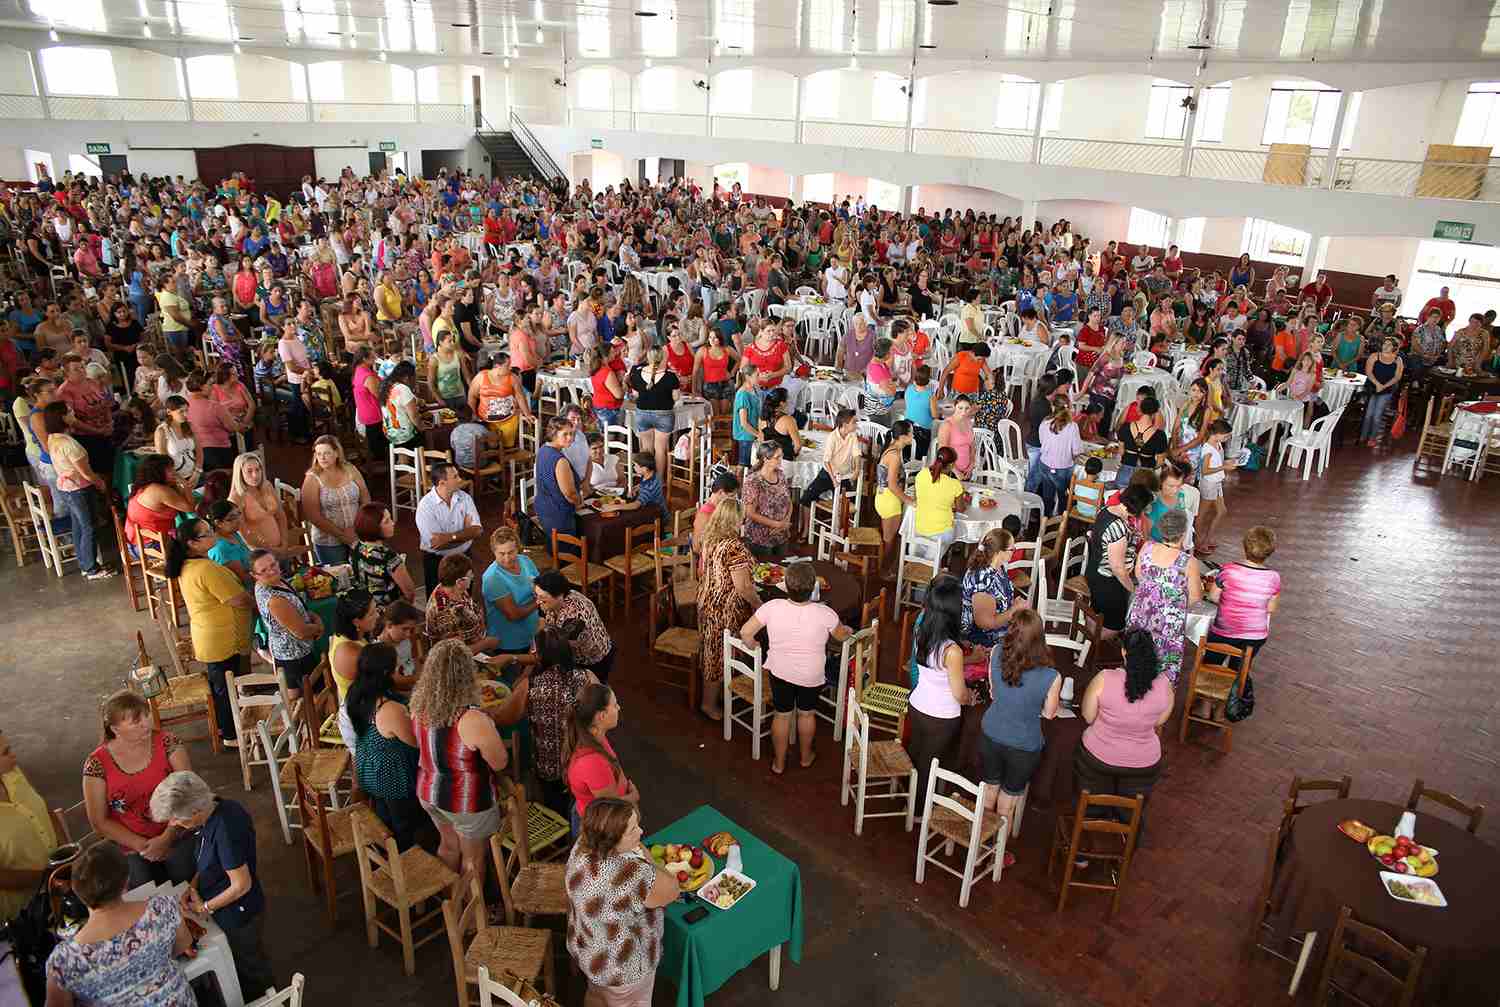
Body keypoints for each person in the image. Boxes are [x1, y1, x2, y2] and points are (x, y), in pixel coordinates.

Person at [149, 771, 273, 996]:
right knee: (239, 964)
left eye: (176, 818)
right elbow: (207, 860)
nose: (173, 824)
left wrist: (204, 908)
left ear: (195, 811)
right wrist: (194, 886)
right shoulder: (211, 812)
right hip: (221, 903)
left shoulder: (226, 829)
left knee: (252, 971)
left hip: (239, 914)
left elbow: (241, 885)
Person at [43, 842, 196, 1007]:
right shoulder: (161, 907)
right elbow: (183, 943)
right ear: (126, 881)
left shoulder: (64, 960)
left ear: (76, 889)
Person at [410, 640, 509, 880]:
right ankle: (472, 914)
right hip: (466, 801)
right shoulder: (472, 719)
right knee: (473, 861)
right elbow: (500, 763)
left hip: (429, 792)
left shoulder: (418, 707)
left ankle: (450, 898)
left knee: (449, 845)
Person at [740, 563, 852, 775]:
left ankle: (779, 763)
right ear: (812, 588)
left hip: (779, 670)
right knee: (806, 713)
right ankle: (805, 757)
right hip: (811, 674)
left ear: (786, 586)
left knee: (782, 714)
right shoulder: (826, 613)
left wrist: (754, 645)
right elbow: (841, 636)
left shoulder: (771, 607)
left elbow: (746, 632)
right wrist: (847, 630)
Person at [564, 797, 676, 1007]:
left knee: (597, 996)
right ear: (612, 839)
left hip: (589, 951)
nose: (641, 832)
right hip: (624, 968)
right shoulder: (631, 871)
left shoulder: (582, 844)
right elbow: (671, 891)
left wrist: (629, 843)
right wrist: (646, 857)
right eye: (633, 830)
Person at [81, 692, 195, 888]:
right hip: (129, 843)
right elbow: (99, 821)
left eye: (146, 715)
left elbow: (188, 791)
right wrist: (143, 846)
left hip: (176, 830)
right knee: (142, 891)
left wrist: (167, 837)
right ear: (115, 728)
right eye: (136, 721)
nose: (146, 724)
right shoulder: (97, 764)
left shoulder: (168, 742)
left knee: (186, 880)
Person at [1075, 629, 1172, 837]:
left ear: (1123, 652)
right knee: (1131, 811)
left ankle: (1082, 851)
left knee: (1091, 803)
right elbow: (1160, 721)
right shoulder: (1164, 684)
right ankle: (1125, 846)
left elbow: (1088, 716)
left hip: (1097, 758)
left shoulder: (1104, 678)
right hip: (1143, 765)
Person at [168, 517, 253, 741]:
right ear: (192, 544)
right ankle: (231, 735)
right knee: (225, 690)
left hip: (209, 635)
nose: (213, 534)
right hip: (223, 638)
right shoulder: (206, 569)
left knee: (222, 688)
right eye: (206, 533)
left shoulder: (191, 565)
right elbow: (239, 600)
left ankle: (225, 728)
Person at [979, 609, 1060, 838]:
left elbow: (994, 694)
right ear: (1040, 638)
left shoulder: (996, 653)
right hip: (1024, 746)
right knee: (1007, 802)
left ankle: (981, 839)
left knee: (989, 792)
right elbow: (1049, 714)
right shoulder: (1051, 676)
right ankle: (997, 851)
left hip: (990, 734)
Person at [348, 642, 424, 851]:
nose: (398, 667)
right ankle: (402, 859)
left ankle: (383, 847)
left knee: (384, 814)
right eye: (394, 665)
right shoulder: (389, 709)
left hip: (368, 766)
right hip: (390, 775)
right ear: (385, 671)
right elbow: (415, 742)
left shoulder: (357, 691)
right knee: (402, 823)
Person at [907, 574, 972, 807]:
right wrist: (969, 697)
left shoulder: (921, 628)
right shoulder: (952, 651)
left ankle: (909, 798)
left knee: (916, 754)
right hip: (941, 716)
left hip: (917, 704)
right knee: (929, 764)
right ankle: (918, 810)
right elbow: (959, 694)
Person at [1122, 509, 1202, 687]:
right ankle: (1159, 701)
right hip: (1168, 623)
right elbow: (1195, 597)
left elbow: (1139, 575)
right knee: (1164, 666)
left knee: (1136, 657)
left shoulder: (1147, 547)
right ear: (1183, 533)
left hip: (1141, 614)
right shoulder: (1188, 562)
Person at [42, 402, 115, 580]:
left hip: (67, 489)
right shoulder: (69, 444)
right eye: (69, 412)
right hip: (78, 489)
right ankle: (91, 568)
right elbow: (85, 472)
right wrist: (99, 482)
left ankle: (85, 563)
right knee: (89, 526)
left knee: (79, 526)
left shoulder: (53, 438)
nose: (73, 412)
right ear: (62, 418)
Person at [565, 683, 638, 833]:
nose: (619, 708)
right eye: (615, 704)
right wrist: (633, 797)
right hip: (600, 828)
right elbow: (609, 807)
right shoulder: (592, 761)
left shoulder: (595, 736)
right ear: (601, 716)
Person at [0, 730, 57, 920]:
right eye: (5, 752)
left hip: (57, 884)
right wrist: (45, 877)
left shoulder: (12, 773)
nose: (13, 755)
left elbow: (43, 807)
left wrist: (65, 857)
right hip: (26, 913)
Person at [250, 549, 324, 695]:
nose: (271, 571)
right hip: (294, 657)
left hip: (289, 653)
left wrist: (312, 616)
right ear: (254, 575)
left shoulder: (272, 582)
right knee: (311, 699)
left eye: (273, 565)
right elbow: (300, 632)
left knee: (300, 700)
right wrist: (319, 627)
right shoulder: (275, 600)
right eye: (263, 570)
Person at [1205, 525, 1282, 661]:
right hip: (1254, 636)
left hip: (1224, 631)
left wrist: (1229, 601)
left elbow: (1213, 596)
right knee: (1241, 667)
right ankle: (1240, 677)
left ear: (1244, 547)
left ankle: (1210, 673)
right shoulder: (1274, 577)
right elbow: (1271, 608)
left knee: (1211, 663)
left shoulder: (1228, 570)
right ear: (1270, 551)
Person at [1085, 484, 1153, 633]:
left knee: (1097, 612)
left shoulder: (1106, 510)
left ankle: (1088, 638)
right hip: (1108, 582)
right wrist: (1132, 589)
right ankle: (1094, 642)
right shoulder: (1117, 528)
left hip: (1095, 571)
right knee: (1115, 625)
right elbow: (1118, 569)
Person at [534, 569, 615, 681]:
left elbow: (558, 649)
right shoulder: (553, 601)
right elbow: (543, 618)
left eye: (542, 598)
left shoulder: (575, 615)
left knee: (594, 690)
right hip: (575, 654)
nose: (537, 601)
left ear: (559, 595)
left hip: (593, 660)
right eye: (536, 595)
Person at [301, 435, 369, 565]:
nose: (322, 457)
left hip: (358, 533)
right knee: (340, 578)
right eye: (319, 453)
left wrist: (358, 527)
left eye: (326, 453)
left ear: (337, 453)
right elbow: (313, 516)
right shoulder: (312, 478)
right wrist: (344, 536)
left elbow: (365, 498)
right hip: (328, 541)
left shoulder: (350, 469)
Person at [415, 461, 482, 591]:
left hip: (464, 557)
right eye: (455, 477)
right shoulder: (425, 506)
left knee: (465, 597)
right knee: (438, 600)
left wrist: (448, 537)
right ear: (442, 483)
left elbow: (477, 531)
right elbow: (437, 544)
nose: (460, 479)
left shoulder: (465, 498)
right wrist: (466, 534)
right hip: (437, 562)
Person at [962, 528, 1028, 651]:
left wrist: (1011, 604)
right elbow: (985, 624)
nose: (1014, 551)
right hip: (984, 640)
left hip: (999, 628)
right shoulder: (983, 581)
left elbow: (998, 599)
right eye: (1011, 549)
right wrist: (1013, 610)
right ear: (999, 552)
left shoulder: (997, 567)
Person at [426, 553, 500, 654]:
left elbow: (471, 609)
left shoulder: (453, 588)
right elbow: (456, 653)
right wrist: (486, 643)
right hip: (462, 662)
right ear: (459, 582)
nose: (473, 577)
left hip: (477, 638)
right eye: (470, 575)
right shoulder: (445, 613)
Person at [350, 502, 417, 606]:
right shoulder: (389, 557)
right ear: (373, 527)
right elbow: (409, 592)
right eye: (387, 521)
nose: (393, 523)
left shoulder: (355, 546)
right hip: (389, 612)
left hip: (366, 609)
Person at [743, 440, 793, 560]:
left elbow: (789, 501)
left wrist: (785, 522)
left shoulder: (780, 475)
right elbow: (749, 513)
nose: (781, 460)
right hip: (760, 538)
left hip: (781, 535)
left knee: (780, 570)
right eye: (777, 457)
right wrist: (777, 524)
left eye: (781, 456)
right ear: (765, 459)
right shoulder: (753, 481)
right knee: (762, 573)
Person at [874, 421, 916, 564]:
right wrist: (908, 500)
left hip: (883, 497)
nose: (913, 436)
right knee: (889, 540)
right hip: (889, 500)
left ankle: (883, 567)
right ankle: (883, 570)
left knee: (888, 539)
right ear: (903, 436)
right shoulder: (895, 455)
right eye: (911, 433)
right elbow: (892, 484)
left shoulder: (892, 449)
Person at [467, 351, 529, 448]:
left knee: (507, 447)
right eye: (507, 365)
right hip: (486, 420)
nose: (510, 368)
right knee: (490, 446)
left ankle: (506, 461)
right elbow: (472, 396)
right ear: (497, 366)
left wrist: (527, 414)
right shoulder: (481, 376)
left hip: (508, 419)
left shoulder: (513, 378)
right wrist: (473, 414)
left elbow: (520, 397)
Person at [535, 416, 582, 545]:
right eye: (565, 434)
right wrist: (579, 502)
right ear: (553, 434)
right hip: (559, 515)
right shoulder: (560, 461)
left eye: (572, 434)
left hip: (544, 508)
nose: (570, 438)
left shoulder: (543, 450)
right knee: (567, 551)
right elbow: (569, 494)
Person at [913, 446, 965, 557]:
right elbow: (961, 509)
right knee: (957, 530)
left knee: (921, 558)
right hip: (941, 533)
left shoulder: (921, 474)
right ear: (951, 465)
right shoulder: (955, 485)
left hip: (919, 528)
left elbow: (918, 497)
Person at [1037, 397, 1085, 516]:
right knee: (1063, 497)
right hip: (1063, 467)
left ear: (1053, 407)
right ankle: (1061, 523)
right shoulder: (1072, 426)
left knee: (1047, 496)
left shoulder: (1045, 423)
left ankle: (1045, 521)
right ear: (1068, 408)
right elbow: (1077, 450)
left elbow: (1042, 442)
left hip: (1045, 464)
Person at [1195, 419, 1236, 554]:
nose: (1227, 438)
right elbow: (1205, 470)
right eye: (1226, 436)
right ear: (1216, 434)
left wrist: (1227, 462)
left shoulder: (1217, 444)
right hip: (1209, 483)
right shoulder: (1207, 449)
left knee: (1221, 511)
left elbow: (1217, 462)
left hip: (1216, 482)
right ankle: (1198, 542)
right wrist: (1224, 466)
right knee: (1202, 514)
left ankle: (1207, 538)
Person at [1360, 336, 1404, 447]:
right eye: (1385, 344)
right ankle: (1363, 435)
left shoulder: (1398, 359)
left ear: (1394, 348)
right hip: (1373, 387)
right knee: (1369, 413)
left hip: (1387, 390)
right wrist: (1377, 384)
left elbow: (1397, 377)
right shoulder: (1374, 356)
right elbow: (1368, 372)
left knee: (1377, 414)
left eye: (1389, 345)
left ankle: (1373, 437)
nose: (1386, 346)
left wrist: (1384, 386)